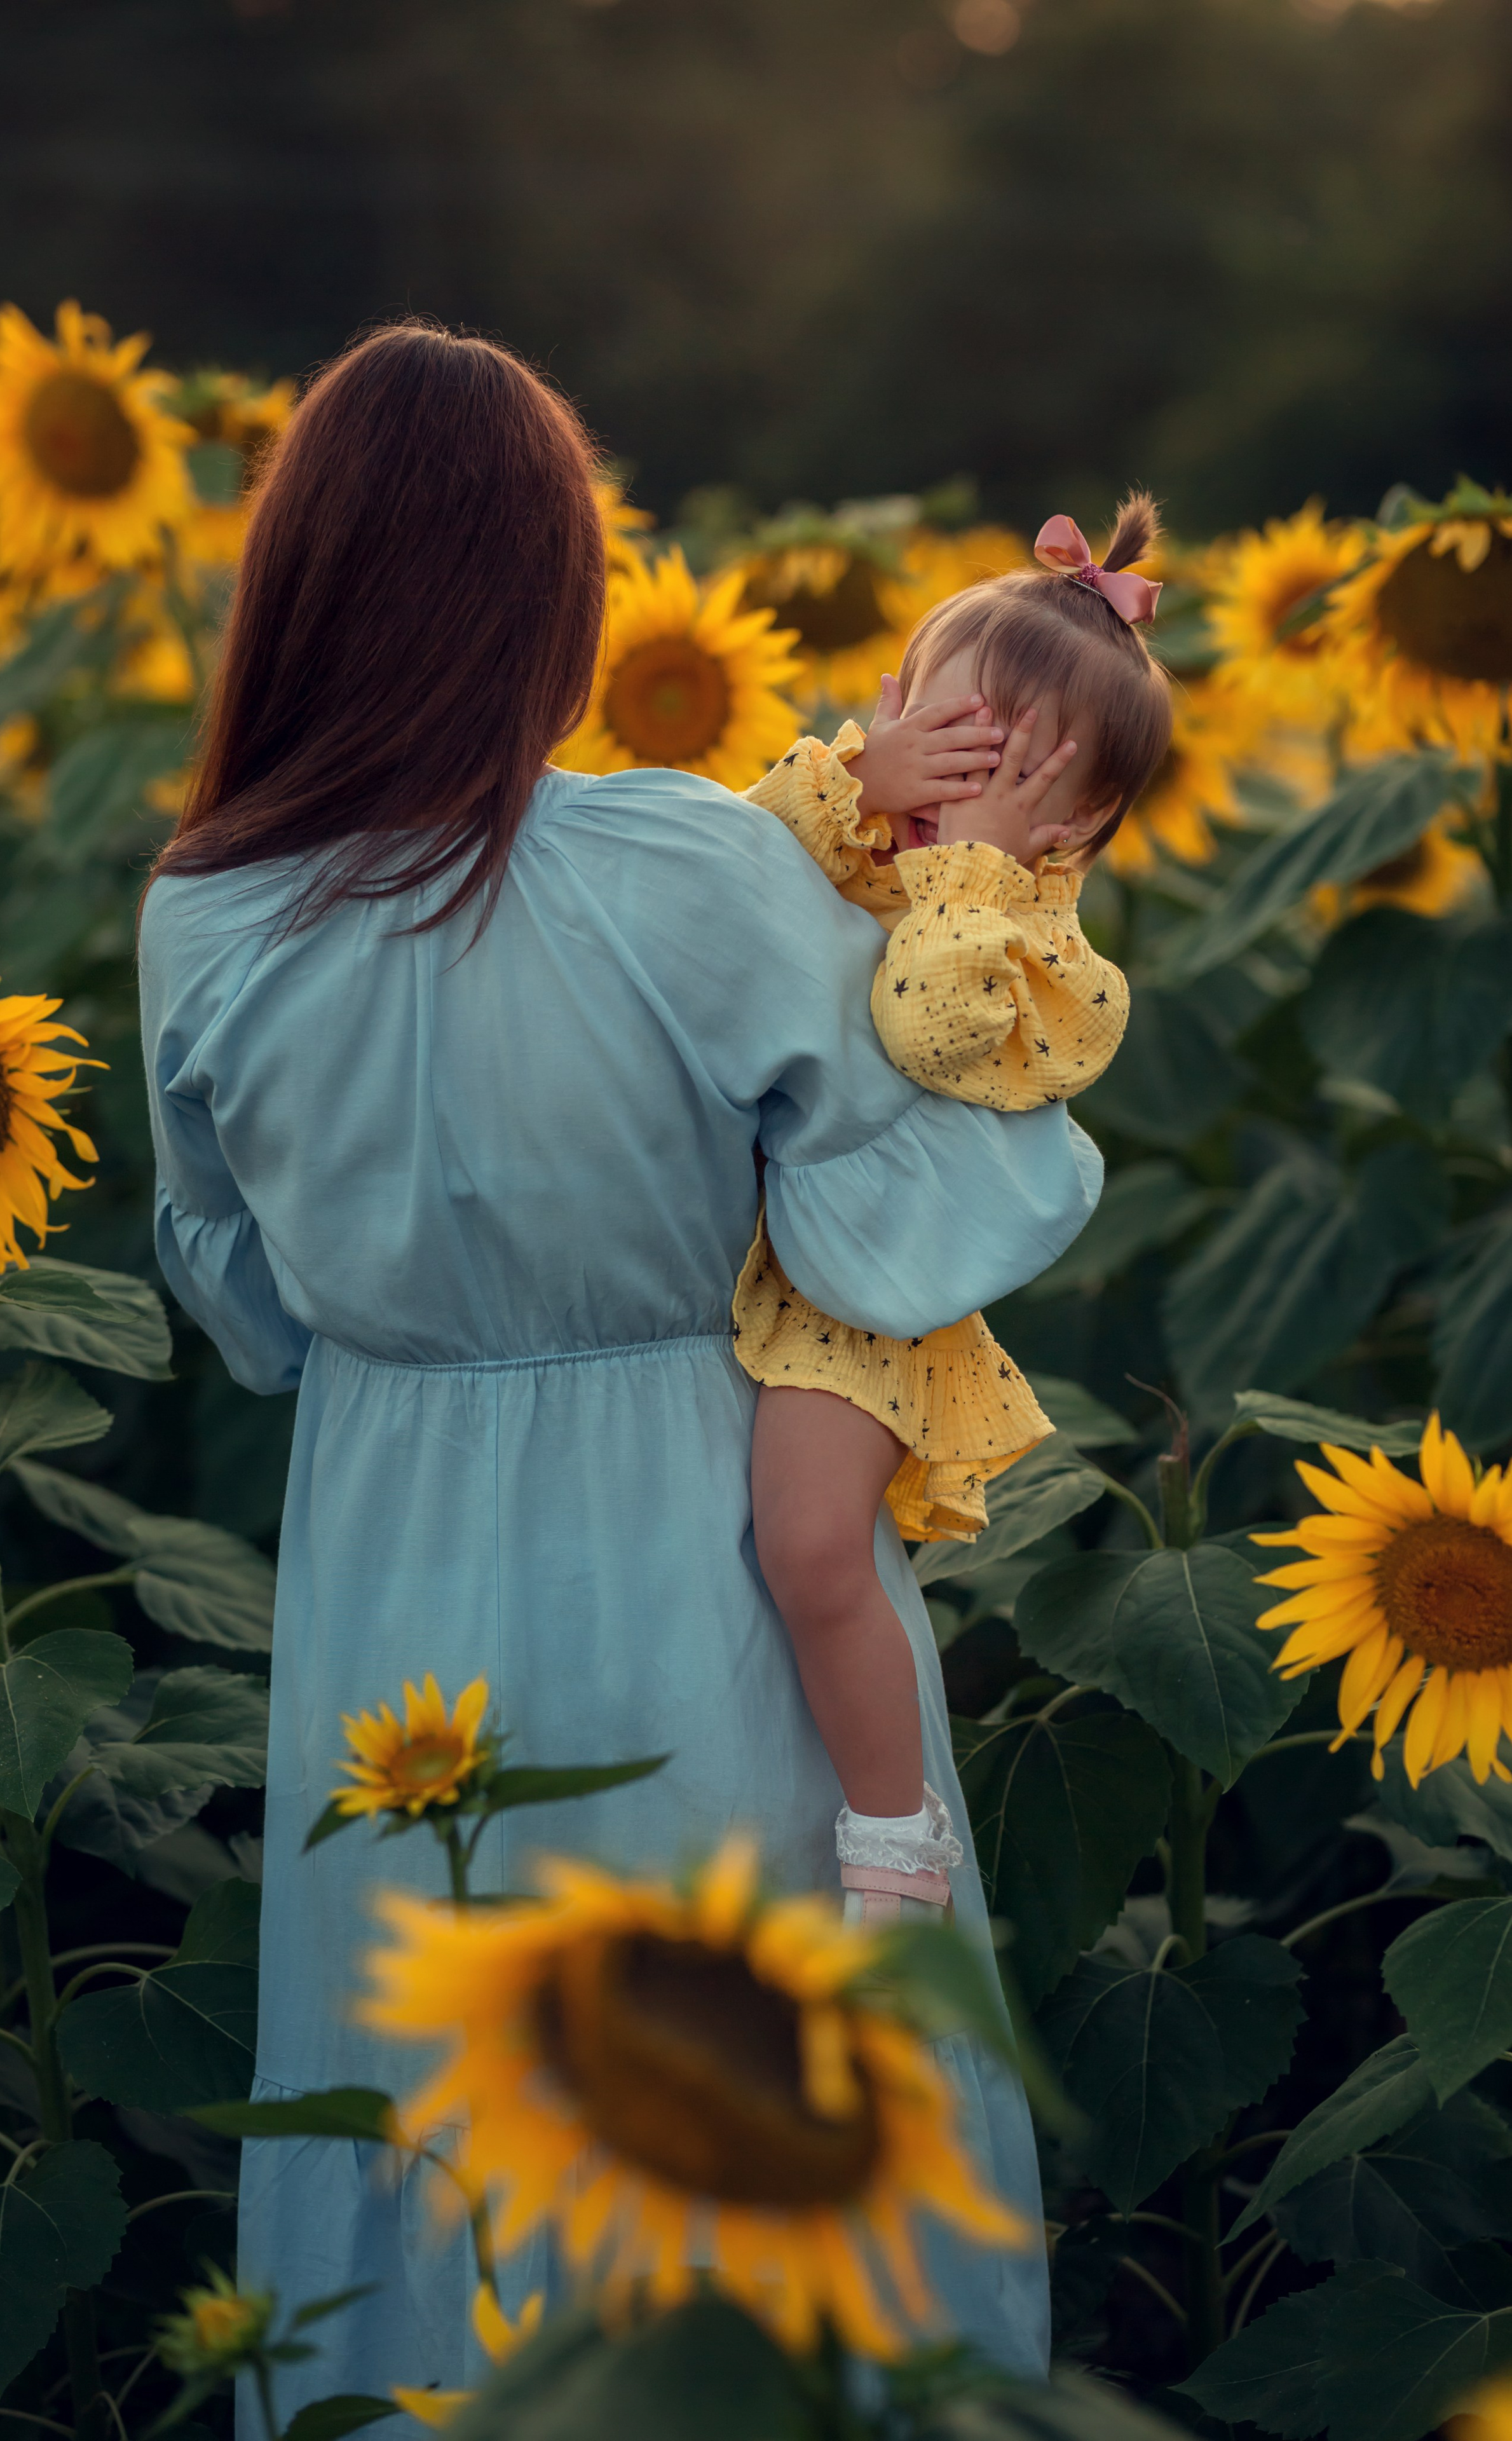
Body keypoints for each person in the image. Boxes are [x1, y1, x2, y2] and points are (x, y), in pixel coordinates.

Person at [138, 320, 1101, 2421]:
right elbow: (901, 1198)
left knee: (418, 2075)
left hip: (386, 1553)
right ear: (556, 600)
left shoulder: (200, 918)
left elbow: (248, 1306)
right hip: (700, 1523)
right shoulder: (683, 866)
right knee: (764, 2072)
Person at [733, 502, 1171, 1923]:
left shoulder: (1046, 963)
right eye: (948, 740)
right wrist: (862, 777)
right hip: (705, 1249)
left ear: (1081, 823)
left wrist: (969, 861)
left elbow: (927, 1032)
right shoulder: (838, 824)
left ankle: (893, 1839)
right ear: (886, 708)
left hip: (852, 1302)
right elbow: (703, 885)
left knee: (807, 1548)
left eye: (1010, 773)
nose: (956, 791)